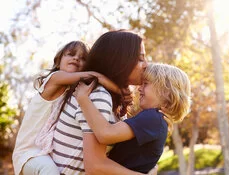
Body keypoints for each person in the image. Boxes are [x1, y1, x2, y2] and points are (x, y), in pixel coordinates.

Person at [50, 29, 158, 175]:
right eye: (140, 59)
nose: (146, 65)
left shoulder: (110, 98)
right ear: (120, 60)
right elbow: (95, 166)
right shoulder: (98, 95)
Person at [12, 40, 120, 175]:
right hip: (29, 153)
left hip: (45, 153)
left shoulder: (73, 91)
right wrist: (120, 90)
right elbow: (92, 77)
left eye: (82, 58)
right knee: (49, 170)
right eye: (71, 54)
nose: (76, 58)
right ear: (58, 62)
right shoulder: (54, 79)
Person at [74, 63, 192, 173]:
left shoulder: (153, 118)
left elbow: (105, 134)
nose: (139, 88)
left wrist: (83, 98)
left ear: (166, 92)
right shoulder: (157, 119)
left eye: (146, 83)